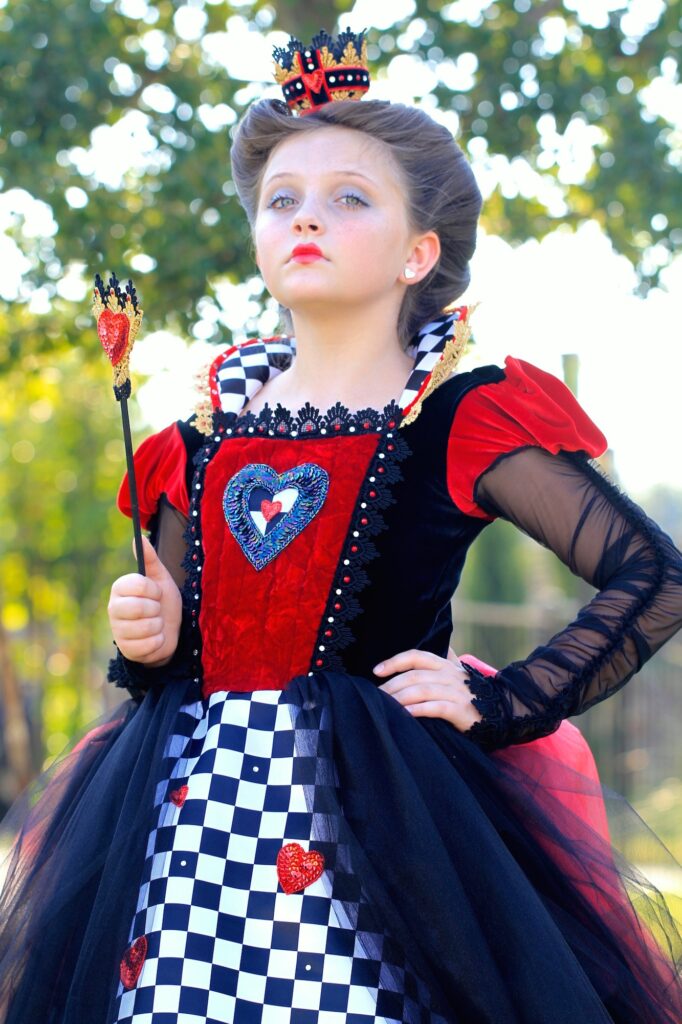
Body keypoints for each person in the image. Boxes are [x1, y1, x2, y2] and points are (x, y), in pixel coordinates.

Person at [1, 27, 681, 1024]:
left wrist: (499, 700)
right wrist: (143, 635)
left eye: (348, 197)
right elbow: (176, 643)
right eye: (282, 200)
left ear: (419, 251)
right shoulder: (195, 436)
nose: (305, 218)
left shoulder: (458, 413)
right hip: (184, 821)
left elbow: (651, 577)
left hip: (385, 825)